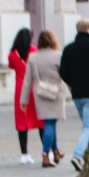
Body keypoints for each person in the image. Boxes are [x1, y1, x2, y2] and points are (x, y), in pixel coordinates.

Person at [59, 18, 89, 172]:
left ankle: (86, 153)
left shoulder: (68, 49)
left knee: (87, 125)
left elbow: (63, 72)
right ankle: (78, 155)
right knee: (88, 126)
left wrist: (73, 83)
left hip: (77, 94)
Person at [21, 30, 66, 167]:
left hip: (40, 93)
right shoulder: (58, 56)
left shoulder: (33, 57)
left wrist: (24, 100)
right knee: (50, 124)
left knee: (49, 122)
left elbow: (27, 80)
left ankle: (56, 151)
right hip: (56, 92)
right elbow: (65, 74)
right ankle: (46, 155)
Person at [8, 28, 44, 164]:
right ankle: (46, 151)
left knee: (22, 123)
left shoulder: (12, 55)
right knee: (40, 121)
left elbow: (11, 66)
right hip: (33, 89)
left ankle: (24, 153)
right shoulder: (34, 52)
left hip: (20, 90)